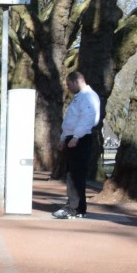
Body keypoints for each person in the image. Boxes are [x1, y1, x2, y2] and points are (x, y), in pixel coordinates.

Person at [53, 70, 101, 219]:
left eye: (69, 84)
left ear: (77, 81)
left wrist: (76, 137)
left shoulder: (88, 96)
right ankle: (79, 208)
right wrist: (63, 138)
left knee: (75, 175)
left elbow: (87, 118)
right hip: (73, 137)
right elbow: (70, 121)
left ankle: (73, 209)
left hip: (80, 139)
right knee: (73, 173)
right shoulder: (79, 97)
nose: (68, 88)